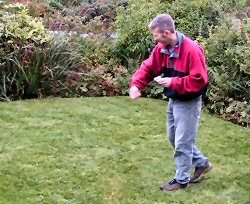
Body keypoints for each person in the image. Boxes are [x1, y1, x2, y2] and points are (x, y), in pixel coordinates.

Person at [129, 14, 213, 191]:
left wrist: (173, 82)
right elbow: (149, 67)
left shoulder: (191, 50)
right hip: (174, 98)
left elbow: (200, 80)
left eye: (156, 35)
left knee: (183, 142)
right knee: (173, 137)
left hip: (189, 101)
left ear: (166, 33)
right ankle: (202, 163)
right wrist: (137, 85)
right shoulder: (162, 49)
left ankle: (181, 180)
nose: (154, 38)